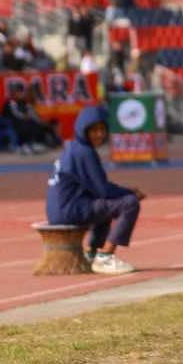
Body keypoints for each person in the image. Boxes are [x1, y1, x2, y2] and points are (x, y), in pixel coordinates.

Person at [46, 105, 143, 275]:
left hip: (61, 209)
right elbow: (103, 189)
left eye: (102, 129)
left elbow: (97, 189)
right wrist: (130, 193)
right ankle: (105, 256)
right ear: (83, 130)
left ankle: (92, 252)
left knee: (105, 207)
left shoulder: (73, 147)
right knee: (129, 203)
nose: (99, 134)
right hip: (68, 210)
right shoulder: (84, 152)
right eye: (93, 130)